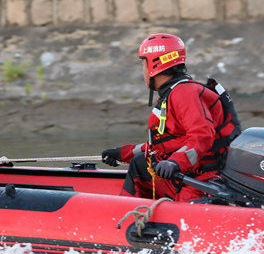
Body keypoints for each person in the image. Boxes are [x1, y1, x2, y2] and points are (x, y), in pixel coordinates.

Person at [100, 33, 240, 201]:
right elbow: (164, 144)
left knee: (140, 165)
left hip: (199, 182)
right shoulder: (175, 93)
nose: (143, 71)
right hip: (186, 175)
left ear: (153, 65)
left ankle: (124, 220)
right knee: (139, 163)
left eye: (143, 64)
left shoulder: (184, 93)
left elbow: (202, 135)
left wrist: (175, 162)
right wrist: (122, 153)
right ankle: (131, 216)